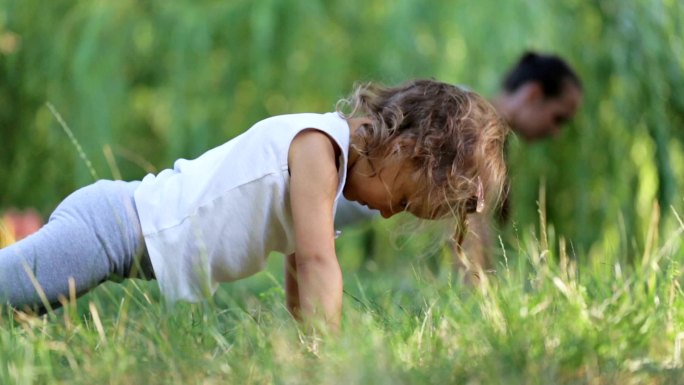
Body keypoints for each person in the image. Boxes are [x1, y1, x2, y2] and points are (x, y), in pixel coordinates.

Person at [0, 79, 508, 330]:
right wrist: (331, 362)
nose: (389, 212)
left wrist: (305, 344)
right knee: (12, 292)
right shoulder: (316, 148)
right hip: (110, 230)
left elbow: (298, 278)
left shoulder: (322, 176)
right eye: (401, 200)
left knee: (19, 308)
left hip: (118, 238)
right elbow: (316, 263)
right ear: (403, 150)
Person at [334, 52, 582, 278]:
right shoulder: (464, 124)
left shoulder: (479, 132)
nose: (556, 132)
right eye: (558, 117)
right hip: (324, 195)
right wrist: (482, 297)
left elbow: (475, 219)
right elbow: (468, 231)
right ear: (533, 95)